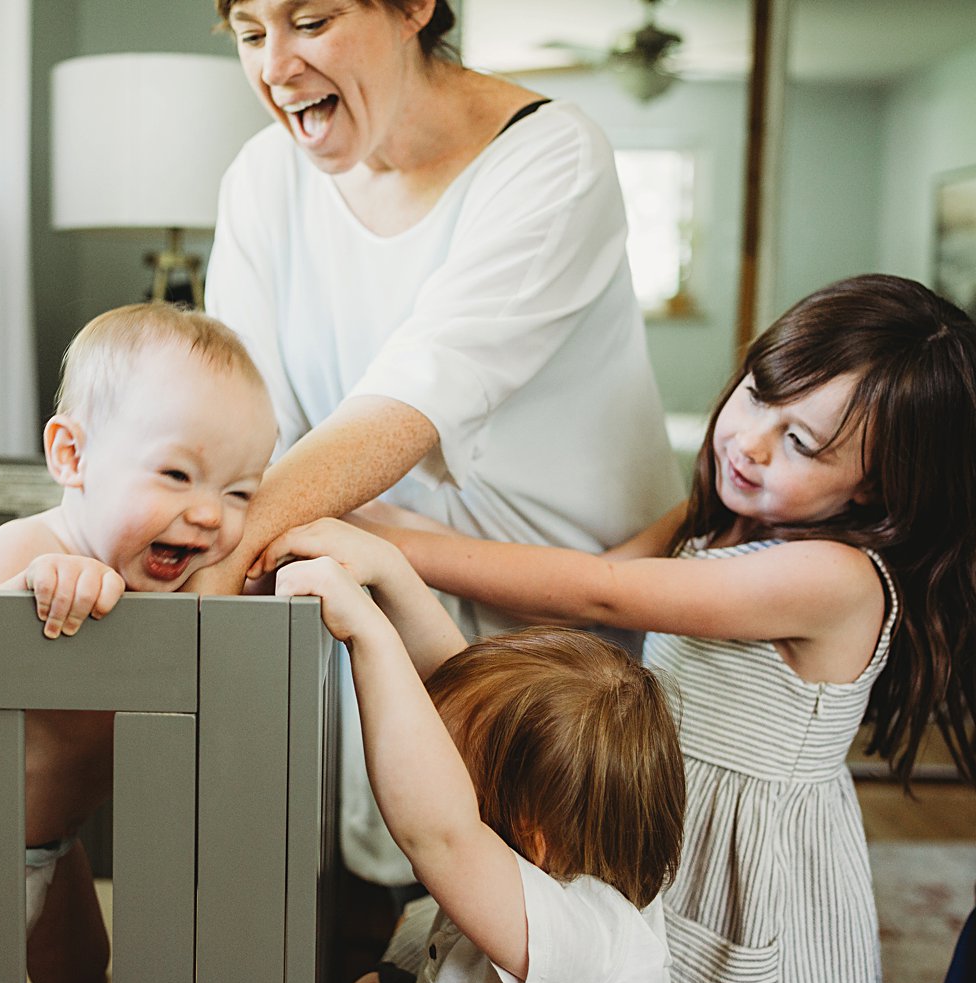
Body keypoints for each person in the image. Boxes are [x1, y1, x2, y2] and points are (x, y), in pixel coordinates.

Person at [274, 274, 976, 983]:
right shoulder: (717, 520)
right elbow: (591, 587)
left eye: (799, 441)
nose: (750, 443)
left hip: (737, 860)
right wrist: (360, 516)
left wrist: (400, 549)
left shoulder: (837, 579)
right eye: (759, 395)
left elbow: (597, 589)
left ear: (878, 483)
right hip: (650, 804)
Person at [201, 0, 682, 932]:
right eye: (252, 34)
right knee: (400, 927)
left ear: (415, 7)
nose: (278, 66)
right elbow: (243, 414)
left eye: (312, 20)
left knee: (559, 939)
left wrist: (211, 575)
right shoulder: (263, 178)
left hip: (565, 642)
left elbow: (408, 404)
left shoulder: (552, 159)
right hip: (368, 603)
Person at [0, 303, 278, 983]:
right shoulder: (29, 549)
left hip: (55, 850)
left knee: (84, 981)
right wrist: (35, 589)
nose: (212, 514)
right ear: (72, 456)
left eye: (240, 491)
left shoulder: (183, 587)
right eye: (178, 476)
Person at [269, 517, 684, 983]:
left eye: (449, 769)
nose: (432, 757)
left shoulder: (592, 940)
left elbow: (441, 834)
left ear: (531, 834)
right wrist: (390, 571)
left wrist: (368, 634)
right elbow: (453, 685)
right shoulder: (556, 841)